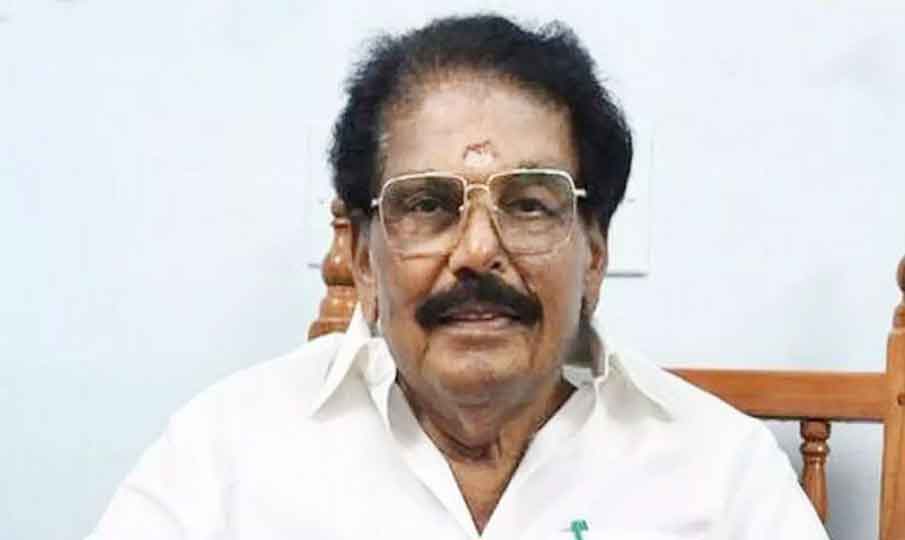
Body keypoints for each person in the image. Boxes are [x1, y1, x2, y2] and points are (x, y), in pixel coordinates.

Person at [87, 14, 829, 539]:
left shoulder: (718, 471)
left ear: (594, 253)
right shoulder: (225, 452)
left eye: (529, 204)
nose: (476, 251)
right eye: (427, 205)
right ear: (362, 258)